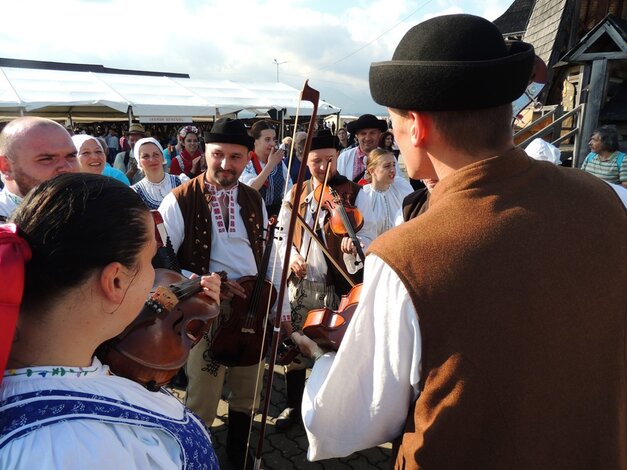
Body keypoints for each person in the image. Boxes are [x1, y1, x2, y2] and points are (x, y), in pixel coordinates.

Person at [292, 14, 627, 468]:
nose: (392, 138)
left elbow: (342, 425)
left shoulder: (405, 256)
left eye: (394, 125)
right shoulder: (608, 200)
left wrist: (324, 363)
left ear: (418, 126)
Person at [0, 173, 221, 469]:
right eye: (149, 264)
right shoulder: (75, 451)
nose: (157, 282)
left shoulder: (73, 364)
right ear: (115, 280)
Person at [158, 118, 289, 470]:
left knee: (248, 389)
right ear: (205, 152)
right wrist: (200, 280)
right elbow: (160, 258)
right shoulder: (180, 199)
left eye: (235, 156)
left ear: (248, 158)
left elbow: (269, 254)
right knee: (203, 394)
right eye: (218, 155)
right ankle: (198, 458)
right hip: (205, 310)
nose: (226, 164)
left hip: (253, 306)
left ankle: (238, 452)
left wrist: (282, 308)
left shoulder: (252, 197)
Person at [275, 130, 376, 431]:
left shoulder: (355, 192)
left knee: (332, 352)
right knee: (295, 351)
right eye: (316, 161)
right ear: (305, 161)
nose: (323, 168)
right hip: (303, 285)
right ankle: (293, 406)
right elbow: (281, 233)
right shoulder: (295, 193)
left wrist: (352, 248)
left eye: (329, 161)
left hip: (339, 287)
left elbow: (368, 235)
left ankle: (331, 412)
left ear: (337, 157)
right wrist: (292, 256)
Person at [0, 117, 79, 221]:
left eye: (71, 156)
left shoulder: (92, 207)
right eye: (47, 159)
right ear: (6, 167)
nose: (67, 168)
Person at [239, 120, 291, 217]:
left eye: (274, 139)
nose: (272, 143)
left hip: (277, 215)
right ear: (255, 141)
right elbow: (250, 189)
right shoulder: (247, 162)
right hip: (252, 215)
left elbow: (288, 191)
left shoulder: (279, 163)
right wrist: (270, 164)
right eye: (267, 139)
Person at [361, 148, 413, 236]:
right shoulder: (364, 196)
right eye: (387, 166)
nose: (392, 169)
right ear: (372, 170)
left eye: (393, 165)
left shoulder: (402, 187)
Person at [131, 137, 182, 210]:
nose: (152, 160)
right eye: (146, 156)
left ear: (163, 158)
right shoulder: (135, 193)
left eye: (156, 154)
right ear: (139, 163)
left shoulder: (181, 182)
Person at [336, 114, 387, 183]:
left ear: (379, 134)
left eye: (372, 133)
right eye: (363, 133)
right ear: (357, 136)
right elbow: (338, 185)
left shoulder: (388, 158)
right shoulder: (344, 157)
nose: (368, 138)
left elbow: (397, 186)